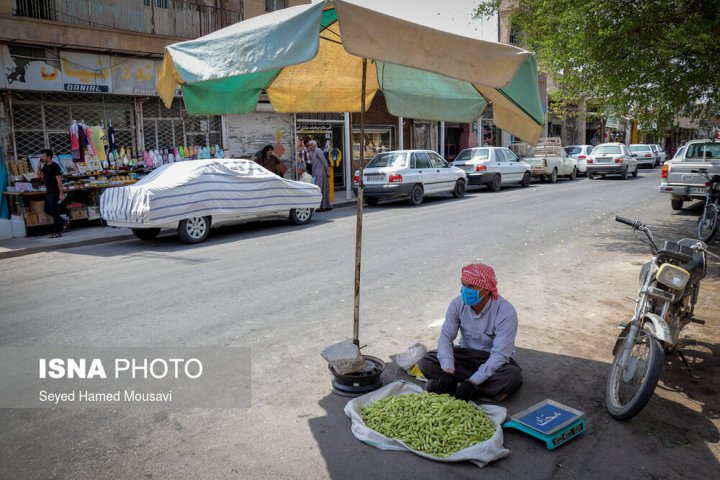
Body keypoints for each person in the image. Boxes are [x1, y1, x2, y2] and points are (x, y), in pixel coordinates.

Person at [418, 263, 522, 402]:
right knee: (427, 361)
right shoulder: (457, 304)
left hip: (490, 358)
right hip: (464, 354)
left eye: (471, 286)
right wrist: (448, 370)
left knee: (512, 376)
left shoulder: (506, 313)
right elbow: (446, 338)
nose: (465, 290)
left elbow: (500, 354)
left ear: (486, 290)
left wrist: (473, 382)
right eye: (463, 284)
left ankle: (456, 388)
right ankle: (481, 393)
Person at [38, 148, 68, 238]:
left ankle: (57, 232)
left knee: (54, 212)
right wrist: (38, 166)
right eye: (41, 156)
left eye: (43, 156)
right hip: (48, 192)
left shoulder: (55, 166)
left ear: (49, 157)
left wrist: (61, 194)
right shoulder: (45, 166)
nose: (42, 157)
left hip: (54, 192)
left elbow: (59, 181)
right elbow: (38, 176)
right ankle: (63, 221)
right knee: (47, 209)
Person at [307, 140, 331, 211]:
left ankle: (323, 206)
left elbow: (324, 161)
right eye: (309, 145)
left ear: (314, 145)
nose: (309, 146)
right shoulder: (311, 152)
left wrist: (328, 170)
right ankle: (321, 206)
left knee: (321, 189)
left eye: (311, 145)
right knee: (318, 189)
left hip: (321, 173)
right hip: (315, 173)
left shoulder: (318, 150)